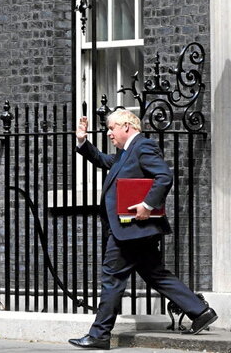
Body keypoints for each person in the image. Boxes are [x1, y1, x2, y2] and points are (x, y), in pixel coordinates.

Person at [69, 109, 216, 350]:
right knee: (155, 273)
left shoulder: (143, 147)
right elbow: (103, 161)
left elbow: (164, 176)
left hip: (130, 230)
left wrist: (147, 205)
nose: (108, 133)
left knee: (112, 278)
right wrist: (83, 140)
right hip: (136, 231)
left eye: (111, 128)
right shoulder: (125, 153)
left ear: (126, 126)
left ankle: (99, 334)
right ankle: (201, 311)